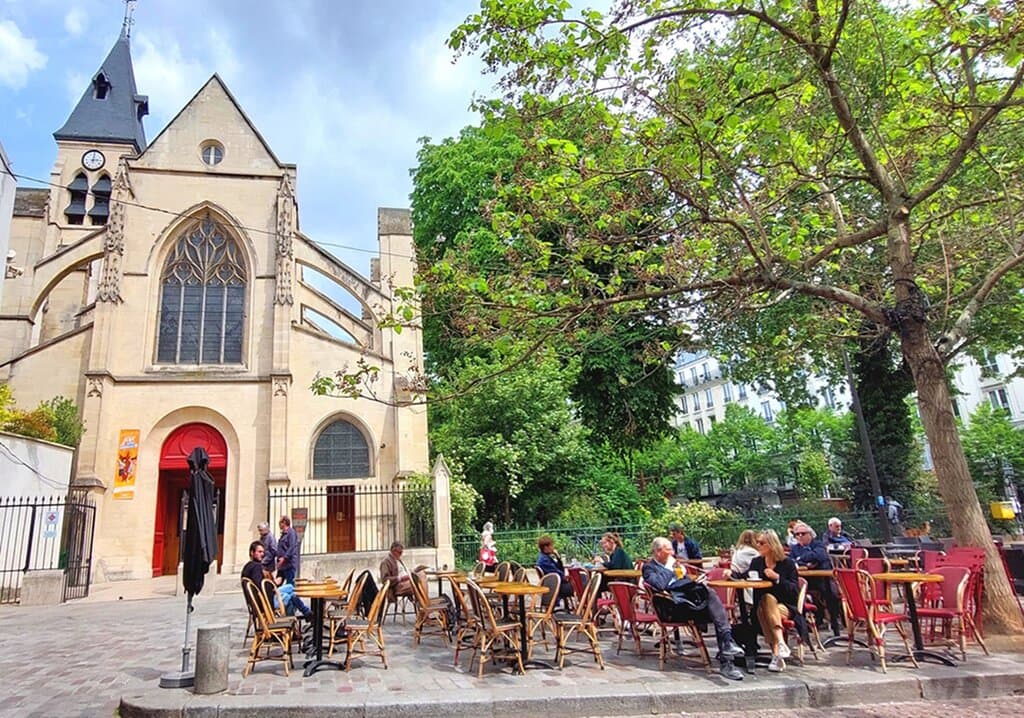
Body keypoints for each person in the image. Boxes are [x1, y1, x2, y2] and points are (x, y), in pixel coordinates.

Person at [642, 537, 745, 680]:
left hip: (688, 604)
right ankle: (727, 654)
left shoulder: (674, 564)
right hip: (672, 609)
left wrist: (690, 579)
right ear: (658, 552)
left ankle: (727, 652)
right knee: (715, 607)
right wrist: (671, 569)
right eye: (669, 549)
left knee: (713, 603)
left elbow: (682, 583)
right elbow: (660, 584)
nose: (673, 552)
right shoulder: (649, 568)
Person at [749, 529, 803, 672]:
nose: (758, 546)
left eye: (761, 543)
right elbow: (745, 575)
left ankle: (776, 653)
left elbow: (794, 591)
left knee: (767, 603)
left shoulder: (787, 564)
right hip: (763, 607)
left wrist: (777, 578)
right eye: (757, 543)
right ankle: (780, 645)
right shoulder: (756, 562)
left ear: (772, 545)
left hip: (785, 606)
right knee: (766, 602)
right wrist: (731, 572)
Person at [788, 521, 842, 635]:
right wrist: (804, 561)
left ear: (810, 534)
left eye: (803, 533)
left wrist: (801, 559)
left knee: (831, 594)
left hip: (822, 578)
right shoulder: (794, 548)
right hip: (805, 580)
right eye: (797, 534)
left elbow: (820, 555)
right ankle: (803, 625)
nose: (799, 536)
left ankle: (835, 624)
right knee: (794, 592)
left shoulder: (818, 544)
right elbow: (791, 562)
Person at [241, 540, 311, 619]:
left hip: (263, 600)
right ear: (252, 553)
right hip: (265, 602)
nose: (262, 554)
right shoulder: (256, 567)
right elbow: (261, 586)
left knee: (290, 587)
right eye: (259, 552)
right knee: (290, 596)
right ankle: (296, 619)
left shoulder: (249, 566)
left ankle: (306, 613)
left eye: (263, 552)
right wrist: (274, 583)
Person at [536, 535, 575, 605]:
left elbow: (559, 569)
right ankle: (583, 608)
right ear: (546, 547)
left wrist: (558, 557)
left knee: (575, 584)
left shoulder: (546, 558)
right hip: (554, 587)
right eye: (551, 546)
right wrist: (567, 578)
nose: (553, 548)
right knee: (577, 586)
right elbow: (558, 575)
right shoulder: (544, 561)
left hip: (555, 585)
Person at [276, 515, 301, 584]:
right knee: (277, 583)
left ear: (284, 522)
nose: (279, 525)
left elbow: (291, 547)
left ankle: (292, 595)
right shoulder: (283, 534)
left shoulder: (291, 533)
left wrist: (284, 558)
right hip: (282, 565)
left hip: (289, 564)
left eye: (280, 522)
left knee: (290, 584)